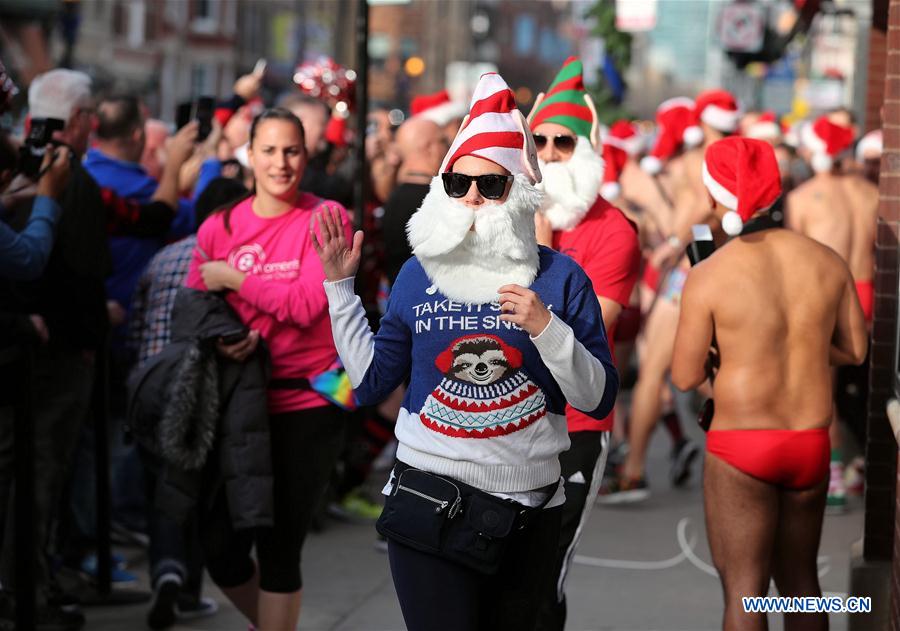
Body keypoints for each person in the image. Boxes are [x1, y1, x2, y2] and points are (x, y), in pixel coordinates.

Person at [313, 72, 618, 631]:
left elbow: (595, 399)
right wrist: (340, 291)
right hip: (429, 497)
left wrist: (547, 327)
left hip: (530, 510)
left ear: (519, 191)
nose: (472, 197)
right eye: (458, 183)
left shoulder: (560, 278)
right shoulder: (417, 274)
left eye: (491, 184)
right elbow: (371, 382)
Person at [671, 136, 867, 630]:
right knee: (802, 584)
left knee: (746, 593)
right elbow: (856, 351)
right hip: (809, 442)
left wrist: (734, 353)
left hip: (742, 444)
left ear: (715, 196)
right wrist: (798, 349)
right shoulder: (827, 260)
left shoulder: (710, 273)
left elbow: (685, 375)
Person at [185, 107, 350, 631]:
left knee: (280, 548)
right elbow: (193, 308)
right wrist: (223, 340)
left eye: (292, 151)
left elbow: (304, 306)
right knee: (219, 546)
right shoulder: (220, 225)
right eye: (270, 151)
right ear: (250, 155)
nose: (281, 163)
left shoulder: (328, 216)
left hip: (314, 397)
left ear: (307, 154)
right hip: (240, 401)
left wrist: (234, 278)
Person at [525, 57, 641, 631]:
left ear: (587, 150)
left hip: (574, 423)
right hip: (502, 418)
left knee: (542, 577)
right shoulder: (504, 210)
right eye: (540, 140)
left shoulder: (615, 231)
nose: (548, 155)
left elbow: (591, 333)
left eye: (563, 142)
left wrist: (541, 254)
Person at [607, 89, 742, 501]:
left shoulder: (705, 158)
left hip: (687, 274)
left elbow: (704, 210)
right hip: (705, 268)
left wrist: (674, 245)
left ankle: (633, 472)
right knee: (705, 370)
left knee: (654, 373)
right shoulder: (727, 156)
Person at [129, 177, 248, 629]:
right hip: (198, 392)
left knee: (161, 488)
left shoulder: (163, 257)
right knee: (196, 490)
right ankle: (188, 589)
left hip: (149, 385)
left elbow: (137, 324)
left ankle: (166, 571)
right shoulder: (228, 265)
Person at [786, 113, 878, 512]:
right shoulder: (872, 193)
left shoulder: (802, 197)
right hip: (869, 293)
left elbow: (797, 263)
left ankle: (834, 478)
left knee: (822, 388)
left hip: (829, 296)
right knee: (865, 387)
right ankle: (860, 467)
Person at [381, 116, 447, 286]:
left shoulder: (394, 197)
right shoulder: (435, 200)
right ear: (429, 148)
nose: (448, 147)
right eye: (443, 141)